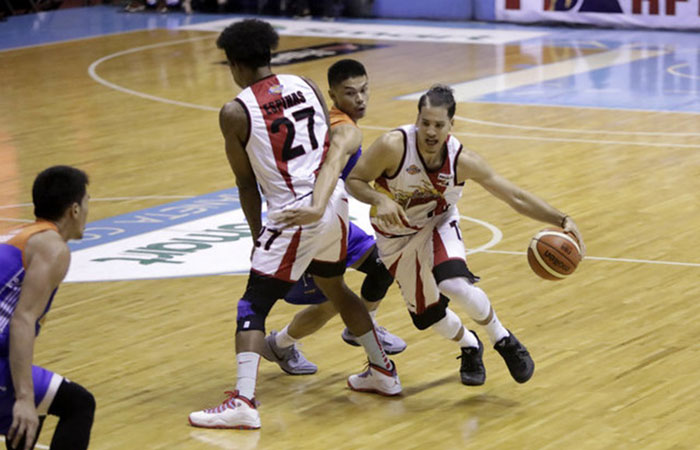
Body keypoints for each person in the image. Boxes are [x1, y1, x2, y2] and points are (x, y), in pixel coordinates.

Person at [188, 19, 401, 431]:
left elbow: (246, 184)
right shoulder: (306, 84)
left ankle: (244, 401)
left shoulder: (234, 111)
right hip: (334, 203)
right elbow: (326, 147)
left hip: (293, 212)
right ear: (270, 54)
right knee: (336, 288)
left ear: (234, 64)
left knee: (252, 305)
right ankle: (382, 371)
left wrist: (258, 238)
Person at [345, 84, 586, 386]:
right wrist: (379, 199)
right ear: (417, 120)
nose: (431, 132)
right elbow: (354, 180)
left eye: (438, 125)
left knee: (453, 284)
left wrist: (562, 218)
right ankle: (469, 345)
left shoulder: (462, 160)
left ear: (451, 125)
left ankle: (503, 339)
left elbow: (516, 197)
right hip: (395, 238)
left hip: (438, 224)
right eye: (425, 123)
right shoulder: (393, 146)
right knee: (427, 317)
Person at [260, 59, 406, 376]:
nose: (360, 99)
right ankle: (280, 344)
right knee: (337, 300)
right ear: (332, 94)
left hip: (327, 216)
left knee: (383, 266)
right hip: (311, 222)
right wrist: (315, 207)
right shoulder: (346, 130)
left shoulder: (327, 120)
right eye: (350, 93)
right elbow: (334, 162)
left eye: (364, 90)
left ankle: (361, 326)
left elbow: (350, 179)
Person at [0, 166, 95, 450]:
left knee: (30, 417)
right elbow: (22, 321)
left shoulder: (28, 237)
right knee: (78, 404)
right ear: (74, 210)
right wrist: (24, 398)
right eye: (88, 201)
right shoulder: (53, 248)